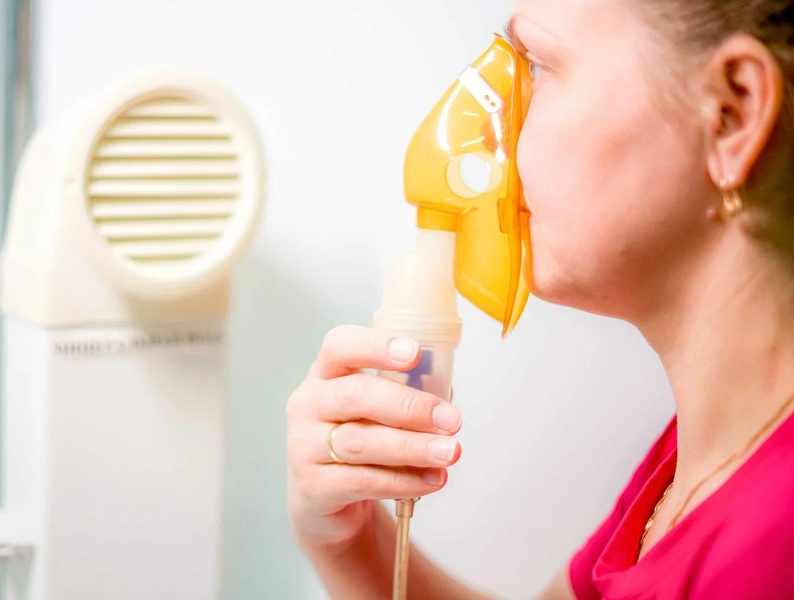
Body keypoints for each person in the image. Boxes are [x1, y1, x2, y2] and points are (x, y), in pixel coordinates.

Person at [284, 0, 794, 598]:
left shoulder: (771, 544)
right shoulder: (704, 456)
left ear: (733, 113)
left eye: (539, 66)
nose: (493, 125)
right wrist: (349, 539)